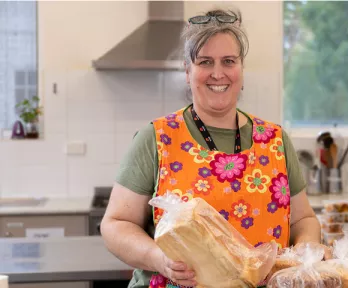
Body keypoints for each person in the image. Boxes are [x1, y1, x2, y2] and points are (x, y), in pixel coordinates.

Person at [101, 8, 327, 288]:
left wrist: (306, 251)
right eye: (205, 62)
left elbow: (303, 219)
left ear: (241, 69)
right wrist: (159, 259)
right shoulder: (157, 138)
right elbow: (115, 224)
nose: (218, 73)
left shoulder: (275, 140)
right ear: (187, 71)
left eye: (228, 61)